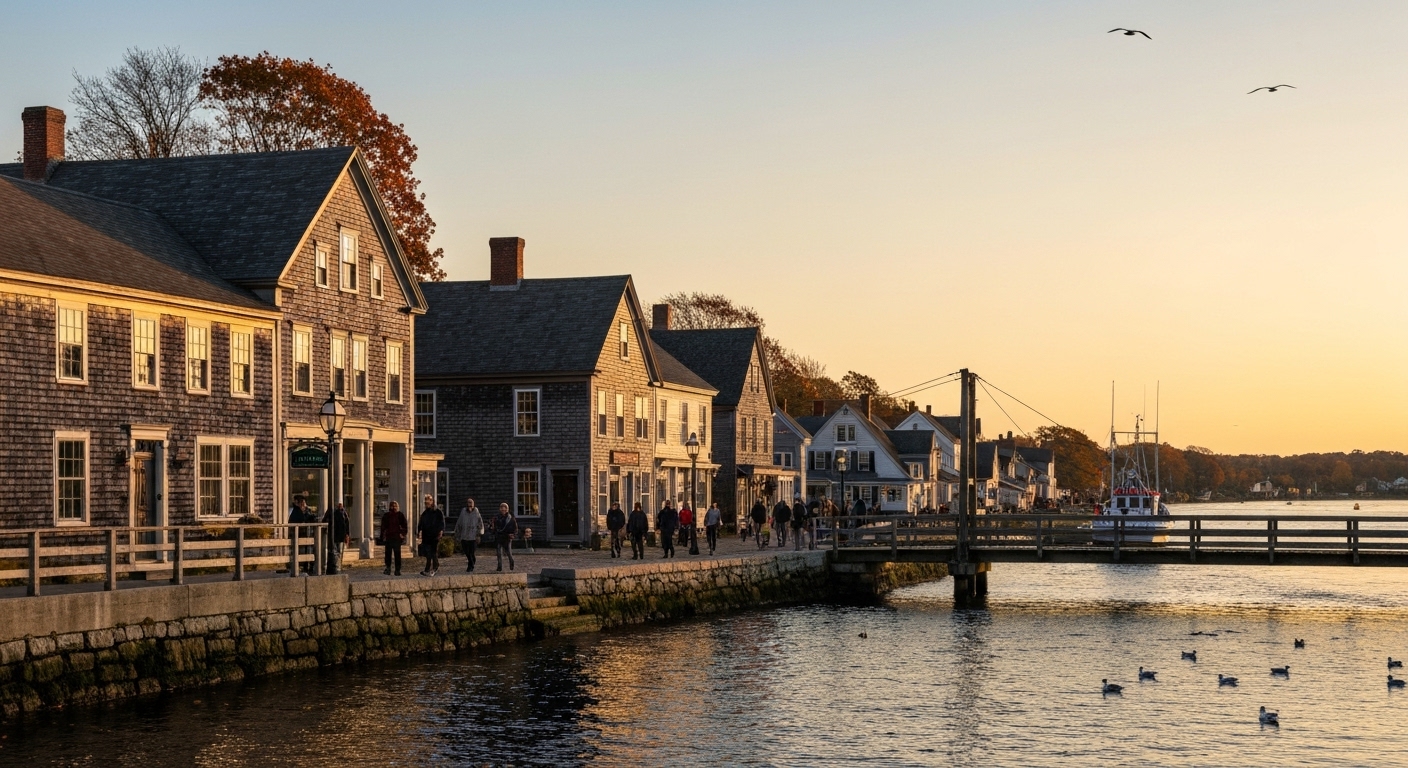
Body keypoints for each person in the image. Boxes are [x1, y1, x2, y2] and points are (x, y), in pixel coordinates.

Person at [418, 495, 446, 576]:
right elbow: (421, 523)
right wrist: (419, 531)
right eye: (425, 502)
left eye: (428, 502)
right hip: (426, 536)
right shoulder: (424, 513)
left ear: (432, 502)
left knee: (433, 552)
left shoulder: (438, 512)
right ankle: (428, 568)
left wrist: (440, 532)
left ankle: (434, 567)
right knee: (427, 553)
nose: (427, 504)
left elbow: (442, 523)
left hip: (434, 535)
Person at [454, 498, 484, 572]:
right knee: (466, 552)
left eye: (471, 503)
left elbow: (480, 524)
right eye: (468, 503)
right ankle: (471, 562)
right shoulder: (463, 512)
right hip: (464, 535)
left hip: (473, 536)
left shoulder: (476, 512)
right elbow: (459, 523)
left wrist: (479, 534)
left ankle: (470, 566)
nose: (470, 504)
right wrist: (457, 533)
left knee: (471, 552)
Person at [288, 496, 315, 575]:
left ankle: (308, 567)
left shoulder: (307, 511)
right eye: (302, 503)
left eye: (304, 503)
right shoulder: (296, 512)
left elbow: (311, 518)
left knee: (309, 551)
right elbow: (301, 519)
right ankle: (301, 568)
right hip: (299, 536)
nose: (303, 505)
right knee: (299, 554)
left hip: (308, 536)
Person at [381, 501, 408, 576]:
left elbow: (405, 525)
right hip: (389, 537)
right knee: (388, 554)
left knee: (397, 554)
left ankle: (397, 569)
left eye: (395, 506)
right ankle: (388, 568)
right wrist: (382, 537)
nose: (394, 507)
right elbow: (383, 527)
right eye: (392, 506)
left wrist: (402, 534)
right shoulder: (386, 516)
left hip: (397, 538)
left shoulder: (400, 515)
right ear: (389, 507)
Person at [323, 502, 351, 574]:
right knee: (335, 551)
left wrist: (347, 535)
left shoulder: (343, 513)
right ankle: (335, 567)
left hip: (339, 536)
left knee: (338, 552)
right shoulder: (333, 512)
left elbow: (346, 524)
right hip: (334, 536)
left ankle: (337, 567)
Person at [492, 503, 517, 571]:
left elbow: (515, 528)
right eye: (502, 508)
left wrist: (513, 534)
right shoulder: (496, 518)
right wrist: (493, 531)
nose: (503, 509)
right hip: (499, 537)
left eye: (505, 508)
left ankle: (511, 562)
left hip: (507, 538)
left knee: (508, 552)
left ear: (507, 509)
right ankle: (499, 566)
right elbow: (494, 527)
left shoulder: (511, 518)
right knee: (499, 553)